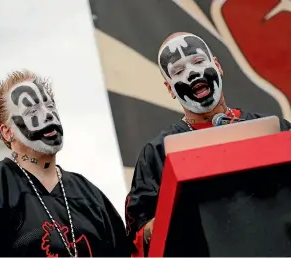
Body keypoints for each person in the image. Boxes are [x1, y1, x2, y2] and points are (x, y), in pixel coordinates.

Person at [124, 32, 291, 257]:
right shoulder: (157, 154)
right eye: (178, 71)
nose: (193, 73)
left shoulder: (274, 129)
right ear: (170, 88)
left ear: (218, 66)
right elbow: (136, 238)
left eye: (198, 61)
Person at [0, 70, 130, 257]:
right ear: (8, 132)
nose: (48, 115)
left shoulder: (90, 195)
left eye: (50, 106)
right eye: (32, 111)